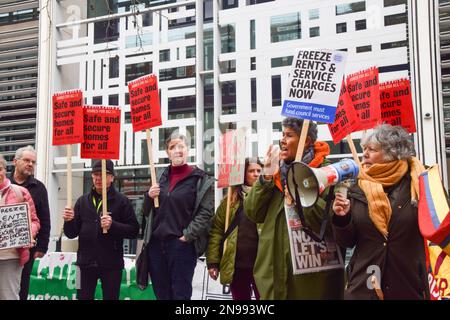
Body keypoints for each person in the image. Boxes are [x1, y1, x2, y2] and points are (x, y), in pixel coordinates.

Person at [244, 117, 344, 299]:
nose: (282, 140)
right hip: (273, 277)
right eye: (282, 134)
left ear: (305, 140)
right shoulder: (274, 174)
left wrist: (301, 194)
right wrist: (265, 177)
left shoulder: (327, 173)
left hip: (312, 283)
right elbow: (252, 212)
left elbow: (330, 222)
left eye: (289, 135)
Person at [332, 124, 430, 300]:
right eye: (364, 149)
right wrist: (342, 218)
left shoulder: (421, 184)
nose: (365, 155)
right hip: (364, 286)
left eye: (372, 149)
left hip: (409, 285)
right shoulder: (357, 187)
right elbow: (347, 241)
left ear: (392, 153)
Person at [142, 132, 215, 300]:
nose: (177, 150)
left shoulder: (199, 178)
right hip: (156, 246)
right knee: (162, 293)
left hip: (181, 246)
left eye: (181, 146)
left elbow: (205, 213)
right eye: (172, 147)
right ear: (168, 153)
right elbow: (146, 212)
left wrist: (187, 236)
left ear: (187, 150)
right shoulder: (159, 177)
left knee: (180, 294)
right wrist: (148, 196)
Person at [63, 160, 139, 300]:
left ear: (112, 178)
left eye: (103, 174)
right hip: (84, 263)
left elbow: (134, 230)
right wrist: (68, 221)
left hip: (111, 264)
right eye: (95, 174)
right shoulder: (82, 201)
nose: (98, 178)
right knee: (82, 297)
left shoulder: (122, 201)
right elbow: (71, 233)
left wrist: (113, 225)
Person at [206, 157, 263, 300]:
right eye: (251, 171)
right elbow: (217, 232)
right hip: (236, 265)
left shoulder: (267, 198)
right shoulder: (230, 201)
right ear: (243, 175)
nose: (256, 174)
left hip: (262, 264)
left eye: (259, 171)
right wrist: (213, 262)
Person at [9, 146, 51, 300]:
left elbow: (44, 219)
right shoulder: (3, 183)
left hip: (27, 248)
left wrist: (42, 246)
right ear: (15, 161)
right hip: (3, 248)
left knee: (22, 285)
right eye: (26, 160)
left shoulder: (39, 188)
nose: (30, 164)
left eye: (33, 162)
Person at [0, 154, 40, 300]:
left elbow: (35, 221)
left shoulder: (20, 192)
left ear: (5, 170)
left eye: (0, 169)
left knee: (8, 295)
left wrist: (28, 234)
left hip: (11, 257)